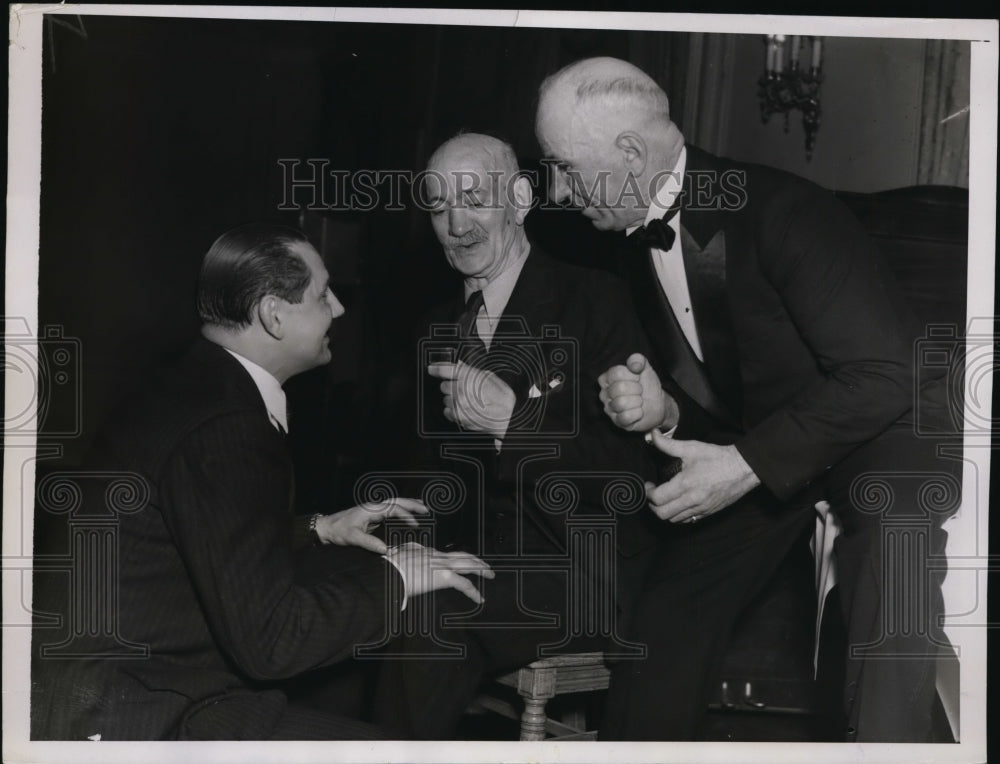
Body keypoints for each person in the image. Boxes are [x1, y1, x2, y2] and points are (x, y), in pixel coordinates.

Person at [534, 57, 958, 742]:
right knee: (665, 625)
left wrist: (745, 465)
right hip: (772, 447)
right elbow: (731, 386)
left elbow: (887, 372)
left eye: (564, 167)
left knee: (895, 554)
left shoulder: (786, 209)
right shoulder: (628, 238)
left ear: (632, 153)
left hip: (877, 431)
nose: (555, 190)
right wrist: (663, 407)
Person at [31, 223, 492, 740]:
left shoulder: (195, 383)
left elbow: (193, 534)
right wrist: (400, 577)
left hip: (106, 679)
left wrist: (318, 528)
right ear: (274, 315)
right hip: (132, 711)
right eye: (323, 295)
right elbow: (273, 644)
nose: (339, 309)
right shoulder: (228, 426)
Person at [371, 133, 659, 739]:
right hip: (480, 562)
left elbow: (626, 477)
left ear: (521, 198)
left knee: (434, 614)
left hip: (581, 568)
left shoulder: (596, 300)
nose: (455, 223)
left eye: (474, 199)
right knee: (371, 590)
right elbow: (427, 479)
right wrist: (401, 545)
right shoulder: (437, 326)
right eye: (438, 204)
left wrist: (513, 424)